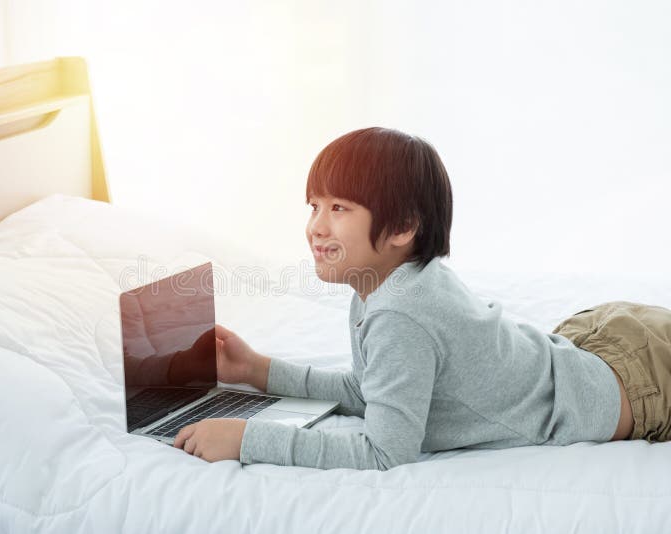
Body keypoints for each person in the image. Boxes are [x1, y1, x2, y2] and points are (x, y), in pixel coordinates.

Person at [172, 127, 671, 469]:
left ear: (404, 227)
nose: (316, 226)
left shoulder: (400, 313)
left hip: (639, 383)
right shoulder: (382, 282)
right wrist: (258, 371)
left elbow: (384, 453)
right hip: (592, 343)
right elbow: (376, 391)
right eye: (314, 205)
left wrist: (247, 440)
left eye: (339, 207)